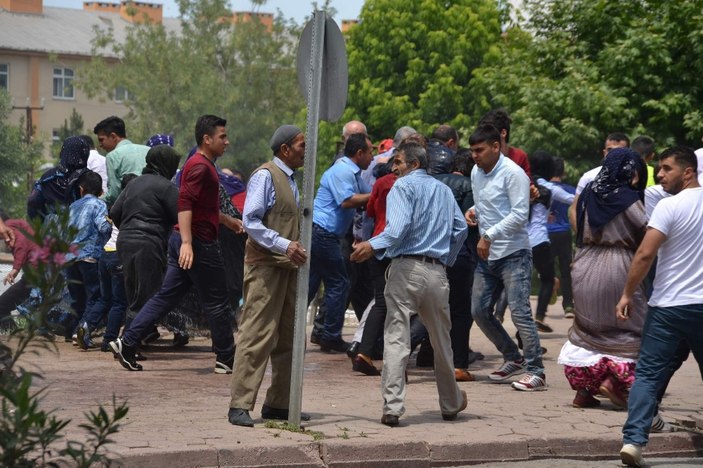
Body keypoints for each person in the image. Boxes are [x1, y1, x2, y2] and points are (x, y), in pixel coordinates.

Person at [350, 140, 468, 426]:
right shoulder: (443, 189)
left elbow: (397, 229)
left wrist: (371, 244)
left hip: (405, 268)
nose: (394, 167)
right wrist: (445, 261)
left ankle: (393, 407)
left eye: (399, 162)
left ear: (414, 164)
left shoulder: (402, 187)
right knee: (442, 342)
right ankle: (451, 404)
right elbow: (461, 227)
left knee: (396, 338)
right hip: (437, 273)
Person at [109, 115, 235, 373]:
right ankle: (226, 358)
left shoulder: (201, 166)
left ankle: (128, 342)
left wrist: (228, 221)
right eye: (222, 136)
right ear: (206, 139)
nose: (227, 141)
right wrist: (188, 242)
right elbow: (185, 203)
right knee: (218, 301)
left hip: (183, 241)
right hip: (197, 243)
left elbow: (200, 207)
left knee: (165, 297)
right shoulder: (200, 166)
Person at [615, 146, 703, 467]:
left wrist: (627, 294)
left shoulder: (669, 207)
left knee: (648, 376)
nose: (660, 175)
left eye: (666, 169)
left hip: (667, 308)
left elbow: (644, 254)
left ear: (688, 172)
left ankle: (634, 442)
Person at [227, 125, 309, 427]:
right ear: (285, 149)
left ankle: (279, 403)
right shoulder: (266, 175)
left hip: (288, 267)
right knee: (257, 334)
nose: (305, 150)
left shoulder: (293, 179)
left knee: (290, 338)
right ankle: (240, 404)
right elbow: (251, 221)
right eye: (301, 145)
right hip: (265, 266)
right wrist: (285, 245)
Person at [557, 148, 647, 409]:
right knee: (628, 327)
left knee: (588, 328)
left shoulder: (587, 195)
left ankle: (584, 392)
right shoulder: (628, 199)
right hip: (619, 265)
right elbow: (646, 229)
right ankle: (614, 382)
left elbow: (575, 220)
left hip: (584, 263)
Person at [466, 124, 546, 391]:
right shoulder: (477, 172)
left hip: (514, 253)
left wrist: (488, 235)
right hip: (487, 254)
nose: (475, 155)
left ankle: (537, 370)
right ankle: (513, 356)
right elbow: (489, 203)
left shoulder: (514, 173)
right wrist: (473, 210)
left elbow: (519, 214)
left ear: (496, 147)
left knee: (520, 313)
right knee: (478, 310)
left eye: (480, 150)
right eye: (472, 150)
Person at [307, 132, 373, 352]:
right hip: (322, 233)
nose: (372, 157)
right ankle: (330, 335)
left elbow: (368, 195)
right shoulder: (343, 170)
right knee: (340, 283)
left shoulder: (354, 174)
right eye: (370, 152)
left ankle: (288, 328)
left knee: (310, 284)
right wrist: (382, 193)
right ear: (359, 153)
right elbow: (347, 201)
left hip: (324, 234)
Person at [526, 151, 575, 332]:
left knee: (516, 280)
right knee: (548, 279)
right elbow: (572, 199)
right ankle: (539, 316)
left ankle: (498, 313)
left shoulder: (521, 182)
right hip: (539, 240)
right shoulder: (549, 187)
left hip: (518, 241)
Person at [65, 171, 112, 346]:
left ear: (81, 189)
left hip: (70, 256)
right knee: (96, 296)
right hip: (90, 256)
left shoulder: (73, 206)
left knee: (77, 298)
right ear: (101, 191)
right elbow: (103, 227)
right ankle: (83, 331)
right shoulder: (99, 205)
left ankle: (71, 332)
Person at [27, 136, 90, 222]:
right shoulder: (89, 177)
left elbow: (33, 200)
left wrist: (42, 222)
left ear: (63, 152)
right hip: (82, 228)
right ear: (85, 153)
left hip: (54, 228)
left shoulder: (48, 177)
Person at [93, 116, 149, 206]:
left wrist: (93, 201)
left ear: (113, 136)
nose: (100, 145)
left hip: (131, 209)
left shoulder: (112, 156)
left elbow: (114, 195)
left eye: (101, 140)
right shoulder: (148, 150)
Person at [547, 157, 576, 318]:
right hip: (564, 232)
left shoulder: (543, 188)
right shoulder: (570, 190)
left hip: (546, 234)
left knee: (545, 268)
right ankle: (568, 306)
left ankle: (551, 283)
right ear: (563, 172)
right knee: (566, 270)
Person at [0, 213, 37, 329]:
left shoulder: (10, 226)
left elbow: (21, 245)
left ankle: (13, 332)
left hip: (37, 274)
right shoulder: (18, 224)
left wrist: (15, 269)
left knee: (2, 305)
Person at [478, 108, 531, 178]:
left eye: (490, 134)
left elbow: (528, 183)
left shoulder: (520, 157)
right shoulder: (479, 157)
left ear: (503, 133)